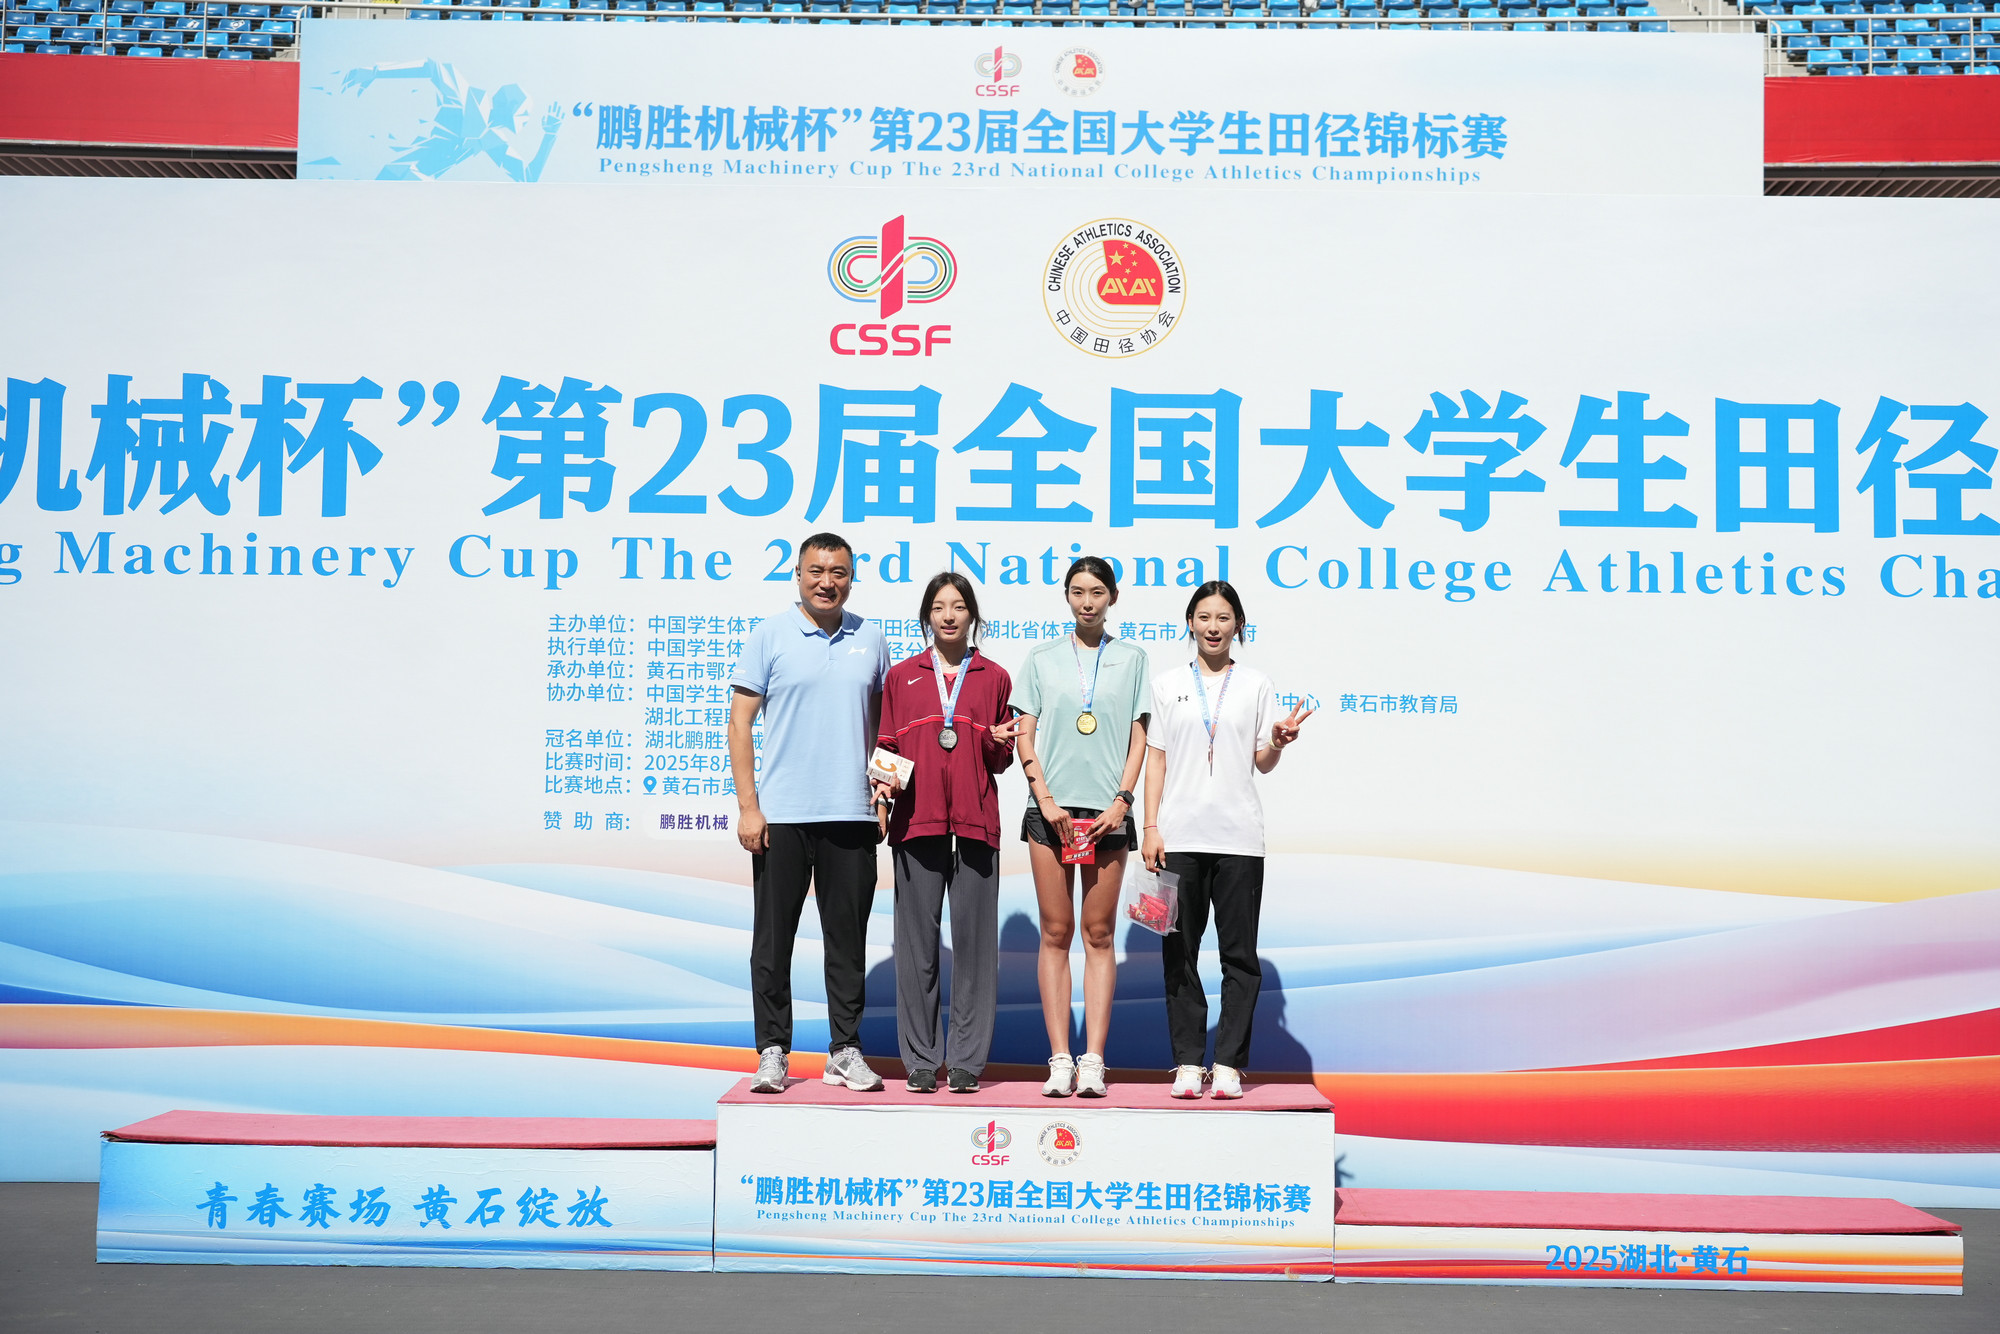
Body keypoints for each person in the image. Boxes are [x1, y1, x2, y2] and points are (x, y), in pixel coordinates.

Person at [728, 533, 892, 1095]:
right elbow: (740, 723)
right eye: (816, 571)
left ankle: (845, 1050)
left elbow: (884, 727)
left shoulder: (871, 638)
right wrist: (750, 807)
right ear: (797, 574)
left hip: (852, 814)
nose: (827, 582)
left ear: (852, 578)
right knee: (773, 942)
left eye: (838, 572)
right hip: (783, 815)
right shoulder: (769, 635)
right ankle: (772, 1051)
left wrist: (883, 796)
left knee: (846, 942)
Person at [1141, 581, 1312, 1100]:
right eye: (1203, 617)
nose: (1213, 627)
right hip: (1178, 837)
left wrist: (1278, 742)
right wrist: (1150, 827)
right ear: (1189, 623)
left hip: (1239, 839)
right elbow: (1156, 759)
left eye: (1223, 618)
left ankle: (1230, 1064)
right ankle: (1188, 1063)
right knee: (1178, 951)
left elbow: (1262, 760)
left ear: (1239, 624)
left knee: (1239, 956)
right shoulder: (1167, 684)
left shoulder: (1256, 684)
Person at [871, 572, 1018, 1095]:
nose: (949, 615)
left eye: (958, 606)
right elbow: (887, 745)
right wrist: (883, 797)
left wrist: (998, 742)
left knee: (976, 949)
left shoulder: (994, 676)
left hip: (977, 824)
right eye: (938, 607)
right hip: (917, 821)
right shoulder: (902, 676)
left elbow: (1000, 759)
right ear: (927, 616)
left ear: (972, 614)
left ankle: (966, 1062)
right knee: (917, 947)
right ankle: (919, 1059)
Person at [1012, 556, 1150, 1098]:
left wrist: (1122, 802)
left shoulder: (1133, 659)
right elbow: (1024, 734)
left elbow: (1140, 738)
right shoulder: (1042, 658)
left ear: (1113, 596)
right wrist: (1045, 802)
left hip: (1107, 816)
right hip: (1052, 815)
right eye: (1077, 591)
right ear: (1066, 596)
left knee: (1099, 934)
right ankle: (1060, 1058)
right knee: (1055, 932)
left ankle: (1093, 1059)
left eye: (1096, 591)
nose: (1087, 601)